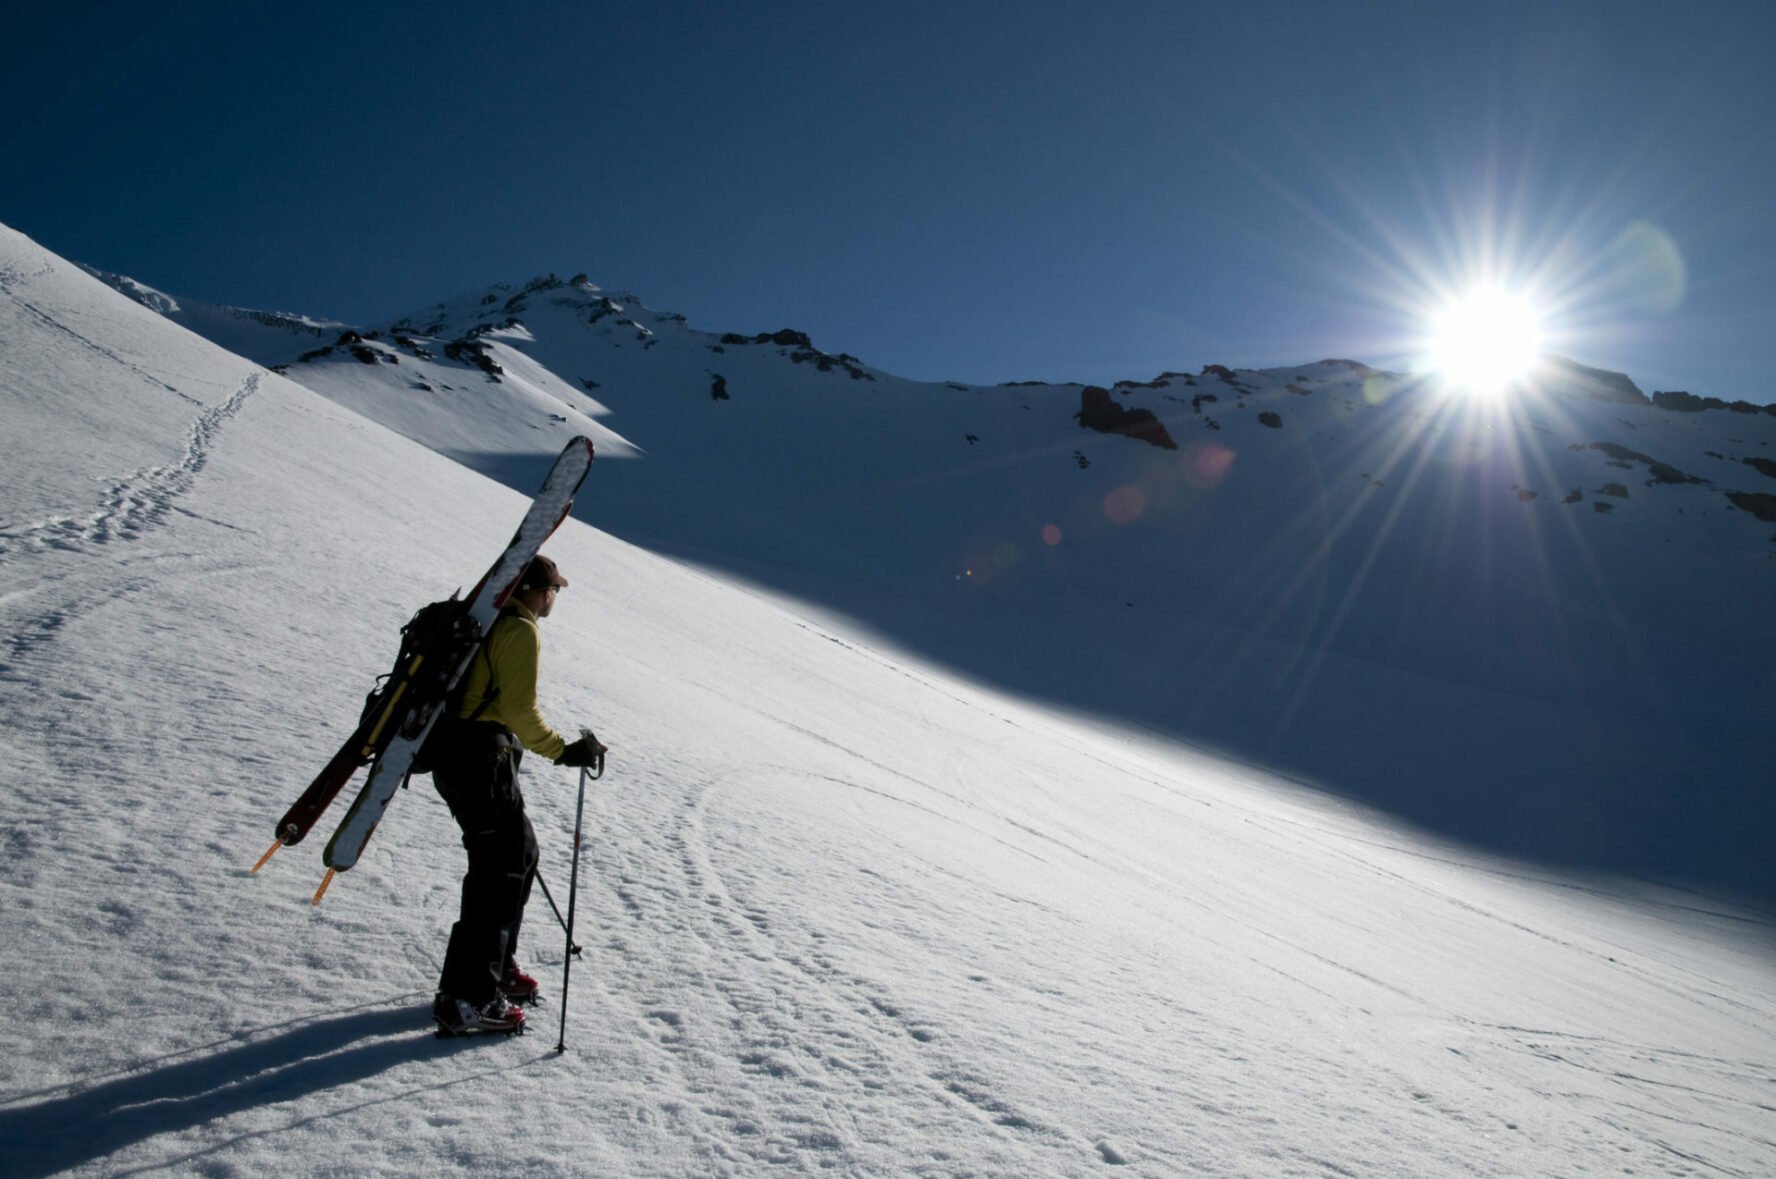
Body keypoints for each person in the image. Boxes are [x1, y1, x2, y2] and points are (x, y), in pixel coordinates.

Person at [430, 553, 605, 1036]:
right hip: (480, 760)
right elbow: (518, 710)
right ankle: (468, 999)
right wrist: (564, 751)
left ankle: (496, 969)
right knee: (496, 875)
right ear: (532, 590)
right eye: (552, 590)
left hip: (463, 757)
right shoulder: (519, 629)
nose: (554, 597)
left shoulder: (488, 621)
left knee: (519, 856)